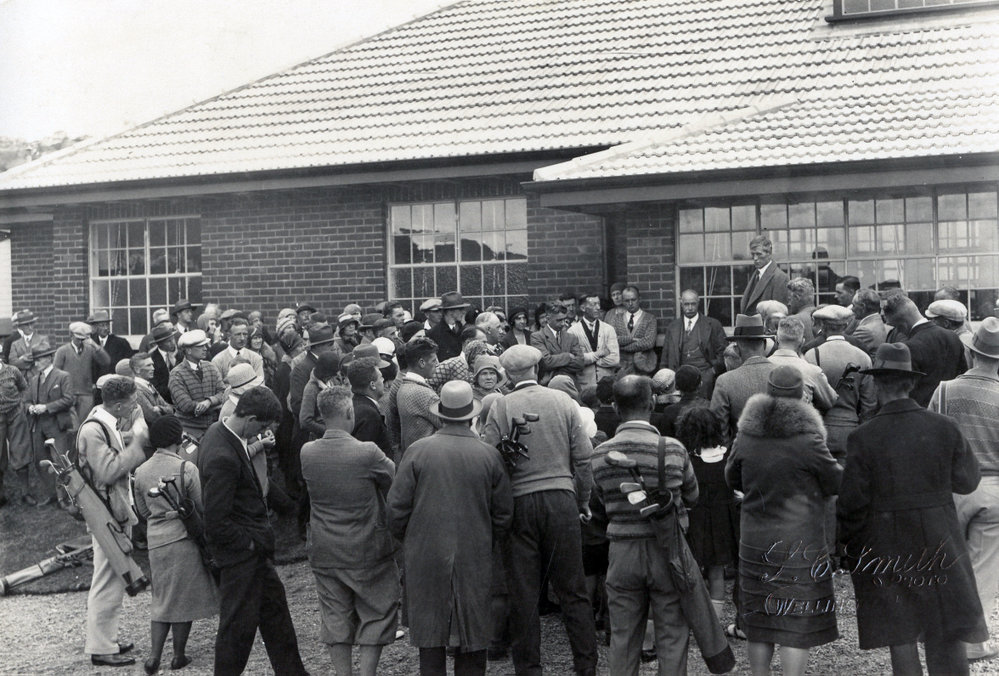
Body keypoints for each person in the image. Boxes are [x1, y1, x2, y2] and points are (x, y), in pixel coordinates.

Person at [839, 343, 987, 675]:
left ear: (877, 385)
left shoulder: (864, 437)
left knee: (900, 627)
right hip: (940, 534)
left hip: (886, 539)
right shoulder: (943, 427)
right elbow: (967, 481)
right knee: (946, 622)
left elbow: (851, 505)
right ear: (911, 384)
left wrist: (851, 547)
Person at [482, 344, 598, 676]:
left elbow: (492, 461)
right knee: (572, 588)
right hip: (561, 498)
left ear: (507, 374)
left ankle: (529, 668)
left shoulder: (502, 405)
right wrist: (583, 499)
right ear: (538, 369)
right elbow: (583, 457)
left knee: (523, 591)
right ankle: (586, 665)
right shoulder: (563, 401)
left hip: (519, 503)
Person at [388, 380, 513, 676]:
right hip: (475, 553)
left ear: (440, 415)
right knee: (473, 634)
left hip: (425, 553)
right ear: (473, 416)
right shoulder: (489, 455)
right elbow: (504, 514)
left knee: (430, 636)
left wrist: (411, 540)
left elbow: (395, 510)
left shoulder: (417, 451)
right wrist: (485, 540)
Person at [726, 365, 842, 676]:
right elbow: (834, 482)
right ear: (801, 395)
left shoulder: (746, 435)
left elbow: (731, 476)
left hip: (754, 539)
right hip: (799, 540)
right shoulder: (808, 439)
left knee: (759, 619)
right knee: (795, 620)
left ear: (768, 392)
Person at [589, 375, 702, 675]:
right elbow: (692, 495)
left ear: (614, 406)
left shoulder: (600, 454)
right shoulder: (673, 449)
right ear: (652, 403)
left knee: (624, 638)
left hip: (622, 551)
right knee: (673, 634)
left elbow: (599, 502)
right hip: (668, 551)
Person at [199, 386, 308, 676]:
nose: (262, 433)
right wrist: (248, 545)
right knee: (237, 629)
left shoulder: (219, 432)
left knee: (276, 617)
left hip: (254, 553)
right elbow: (215, 520)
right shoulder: (222, 454)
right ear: (249, 418)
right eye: (262, 426)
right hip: (242, 557)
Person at [301, 387, 399, 676]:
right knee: (377, 611)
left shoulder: (307, 452)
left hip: (325, 548)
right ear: (349, 413)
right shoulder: (367, 452)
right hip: (367, 545)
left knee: (334, 615)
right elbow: (395, 482)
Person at [928, 317, 999, 663]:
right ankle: (974, 640)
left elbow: (930, 438)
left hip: (951, 487)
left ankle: (945, 635)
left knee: (950, 562)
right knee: (985, 566)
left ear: (972, 355)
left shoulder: (943, 390)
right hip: (994, 488)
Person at [133, 415, 218, 675]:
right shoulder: (186, 468)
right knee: (182, 600)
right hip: (183, 538)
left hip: (156, 541)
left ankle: (153, 655)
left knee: (162, 599)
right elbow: (201, 506)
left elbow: (143, 512)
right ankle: (178, 655)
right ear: (177, 438)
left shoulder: (140, 471)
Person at [77, 376, 148, 667]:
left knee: (114, 578)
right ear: (118, 404)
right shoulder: (94, 430)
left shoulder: (105, 422)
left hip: (111, 510)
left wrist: (128, 439)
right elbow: (107, 472)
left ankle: (107, 640)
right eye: (133, 401)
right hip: (105, 514)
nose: (136, 405)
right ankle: (101, 648)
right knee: (107, 578)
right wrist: (138, 444)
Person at [675, 405, 738, 619]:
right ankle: (714, 623)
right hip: (723, 521)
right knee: (717, 572)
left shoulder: (687, 460)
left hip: (695, 520)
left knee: (691, 572)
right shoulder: (728, 457)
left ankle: (694, 618)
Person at [881, 292, 967, 407]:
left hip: (922, 415)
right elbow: (962, 376)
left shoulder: (909, 348)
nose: (898, 331)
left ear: (903, 324)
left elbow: (906, 391)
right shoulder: (953, 337)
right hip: (951, 410)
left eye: (896, 326)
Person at [24, 341, 77, 507]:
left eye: (39, 359)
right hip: (38, 426)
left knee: (60, 461)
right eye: (35, 361)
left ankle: (66, 497)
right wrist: (30, 407)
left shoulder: (62, 376)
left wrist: (46, 407)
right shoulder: (34, 380)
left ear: (48, 358)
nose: (36, 363)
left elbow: (69, 399)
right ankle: (52, 494)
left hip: (56, 425)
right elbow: (25, 401)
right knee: (40, 461)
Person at [660, 289, 727, 399]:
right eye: (686, 304)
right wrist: (665, 377)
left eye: (693, 304)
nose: (690, 308)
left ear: (698, 303)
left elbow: (723, 352)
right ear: (681, 304)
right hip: (679, 376)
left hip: (705, 376)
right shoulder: (673, 327)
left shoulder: (713, 324)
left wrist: (713, 372)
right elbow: (665, 356)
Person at [767, 317, 837, 412]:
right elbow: (830, 401)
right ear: (802, 342)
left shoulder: (763, 365)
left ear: (777, 339)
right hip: (801, 423)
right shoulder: (812, 371)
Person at [169, 330, 226, 441]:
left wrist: (208, 402)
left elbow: (223, 392)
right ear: (189, 350)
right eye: (200, 346)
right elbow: (186, 406)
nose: (205, 348)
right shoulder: (176, 373)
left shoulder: (210, 367)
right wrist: (217, 405)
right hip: (188, 430)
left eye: (205, 345)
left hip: (213, 427)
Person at [54, 321, 111, 427]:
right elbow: (55, 373)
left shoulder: (90, 349)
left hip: (86, 393)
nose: (80, 341)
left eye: (83, 339)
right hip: (68, 393)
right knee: (71, 427)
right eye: (78, 338)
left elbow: (106, 361)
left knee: (85, 424)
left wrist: (95, 345)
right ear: (71, 335)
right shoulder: (62, 351)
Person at [393, 337, 443, 458]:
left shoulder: (403, 386)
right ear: (421, 363)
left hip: (413, 456)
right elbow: (448, 424)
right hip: (429, 457)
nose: (438, 364)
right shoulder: (424, 394)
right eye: (433, 361)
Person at [567, 293, 619, 389]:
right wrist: (600, 354)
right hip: (584, 385)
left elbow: (615, 359)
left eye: (598, 304)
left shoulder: (608, 329)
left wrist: (591, 359)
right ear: (583, 308)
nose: (598, 307)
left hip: (607, 384)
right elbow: (576, 361)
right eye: (593, 304)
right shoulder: (572, 331)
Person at [346, 355, 392, 454]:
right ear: (372, 385)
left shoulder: (355, 404)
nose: (384, 381)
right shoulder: (368, 414)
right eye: (381, 377)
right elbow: (365, 455)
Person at [607, 286, 658, 375]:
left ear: (639, 299)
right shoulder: (616, 319)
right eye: (627, 301)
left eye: (633, 300)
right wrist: (633, 339)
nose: (630, 303)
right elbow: (612, 340)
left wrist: (622, 347)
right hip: (622, 368)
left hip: (643, 368)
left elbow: (648, 342)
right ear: (623, 301)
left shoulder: (650, 319)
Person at [530, 302, 584, 385]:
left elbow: (580, 363)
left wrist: (555, 366)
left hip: (571, 384)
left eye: (564, 319)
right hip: (548, 386)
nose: (563, 323)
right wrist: (568, 356)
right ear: (548, 319)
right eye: (559, 320)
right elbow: (545, 363)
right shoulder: (537, 337)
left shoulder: (571, 337)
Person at [0, 350, 28, 507]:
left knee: (21, 450)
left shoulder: (12, 371)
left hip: (15, 415)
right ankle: (1, 495)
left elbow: (23, 387)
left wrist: (22, 405)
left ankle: (25, 493)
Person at [740, 235, 789, 315]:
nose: (755, 258)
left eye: (759, 254)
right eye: (753, 254)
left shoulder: (780, 278)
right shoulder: (755, 275)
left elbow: (779, 316)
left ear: (769, 253)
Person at [129, 351, 174, 426]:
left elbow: (170, 409)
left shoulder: (149, 385)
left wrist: (159, 409)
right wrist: (164, 409)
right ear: (137, 370)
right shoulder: (136, 390)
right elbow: (152, 416)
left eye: (152, 365)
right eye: (148, 365)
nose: (153, 368)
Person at [88, 310, 135, 378]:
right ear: (96, 327)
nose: (106, 328)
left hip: (115, 382)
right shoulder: (91, 343)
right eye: (102, 325)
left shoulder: (121, 343)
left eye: (107, 324)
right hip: (96, 384)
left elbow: (130, 364)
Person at [427, 291, 470, 362]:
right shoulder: (434, 334)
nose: (464, 312)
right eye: (460, 309)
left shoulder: (464, 329)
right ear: (450, 311)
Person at [850, 288, 888, 356]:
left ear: (863, 307)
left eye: (853, 305)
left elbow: (849, 352)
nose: (852, 309)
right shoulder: (878, 322)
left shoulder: (864, 330)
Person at [147, 324, 179, 403]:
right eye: (168, 341)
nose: (173, 343)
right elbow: (156, 386)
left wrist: (174, 361)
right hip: (165, 400)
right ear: (159, 344)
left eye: (173, 339)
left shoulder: (180, 354)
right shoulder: (152, 359)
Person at [7, 309, 45, 373]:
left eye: (31, 324)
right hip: (21, 380)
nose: (30, 327)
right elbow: (12, 363)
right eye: (26, 325)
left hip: (38, 378)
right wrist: (23, 359)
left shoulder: (42, 340)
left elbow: (45, 359)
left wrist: (20, 360)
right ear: (20, 327)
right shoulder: (15, 344)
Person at [785, 278, 817, 343]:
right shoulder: (823, 317)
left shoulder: (792, 320)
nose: (788, 304)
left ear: (797, 298)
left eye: (789, 299)